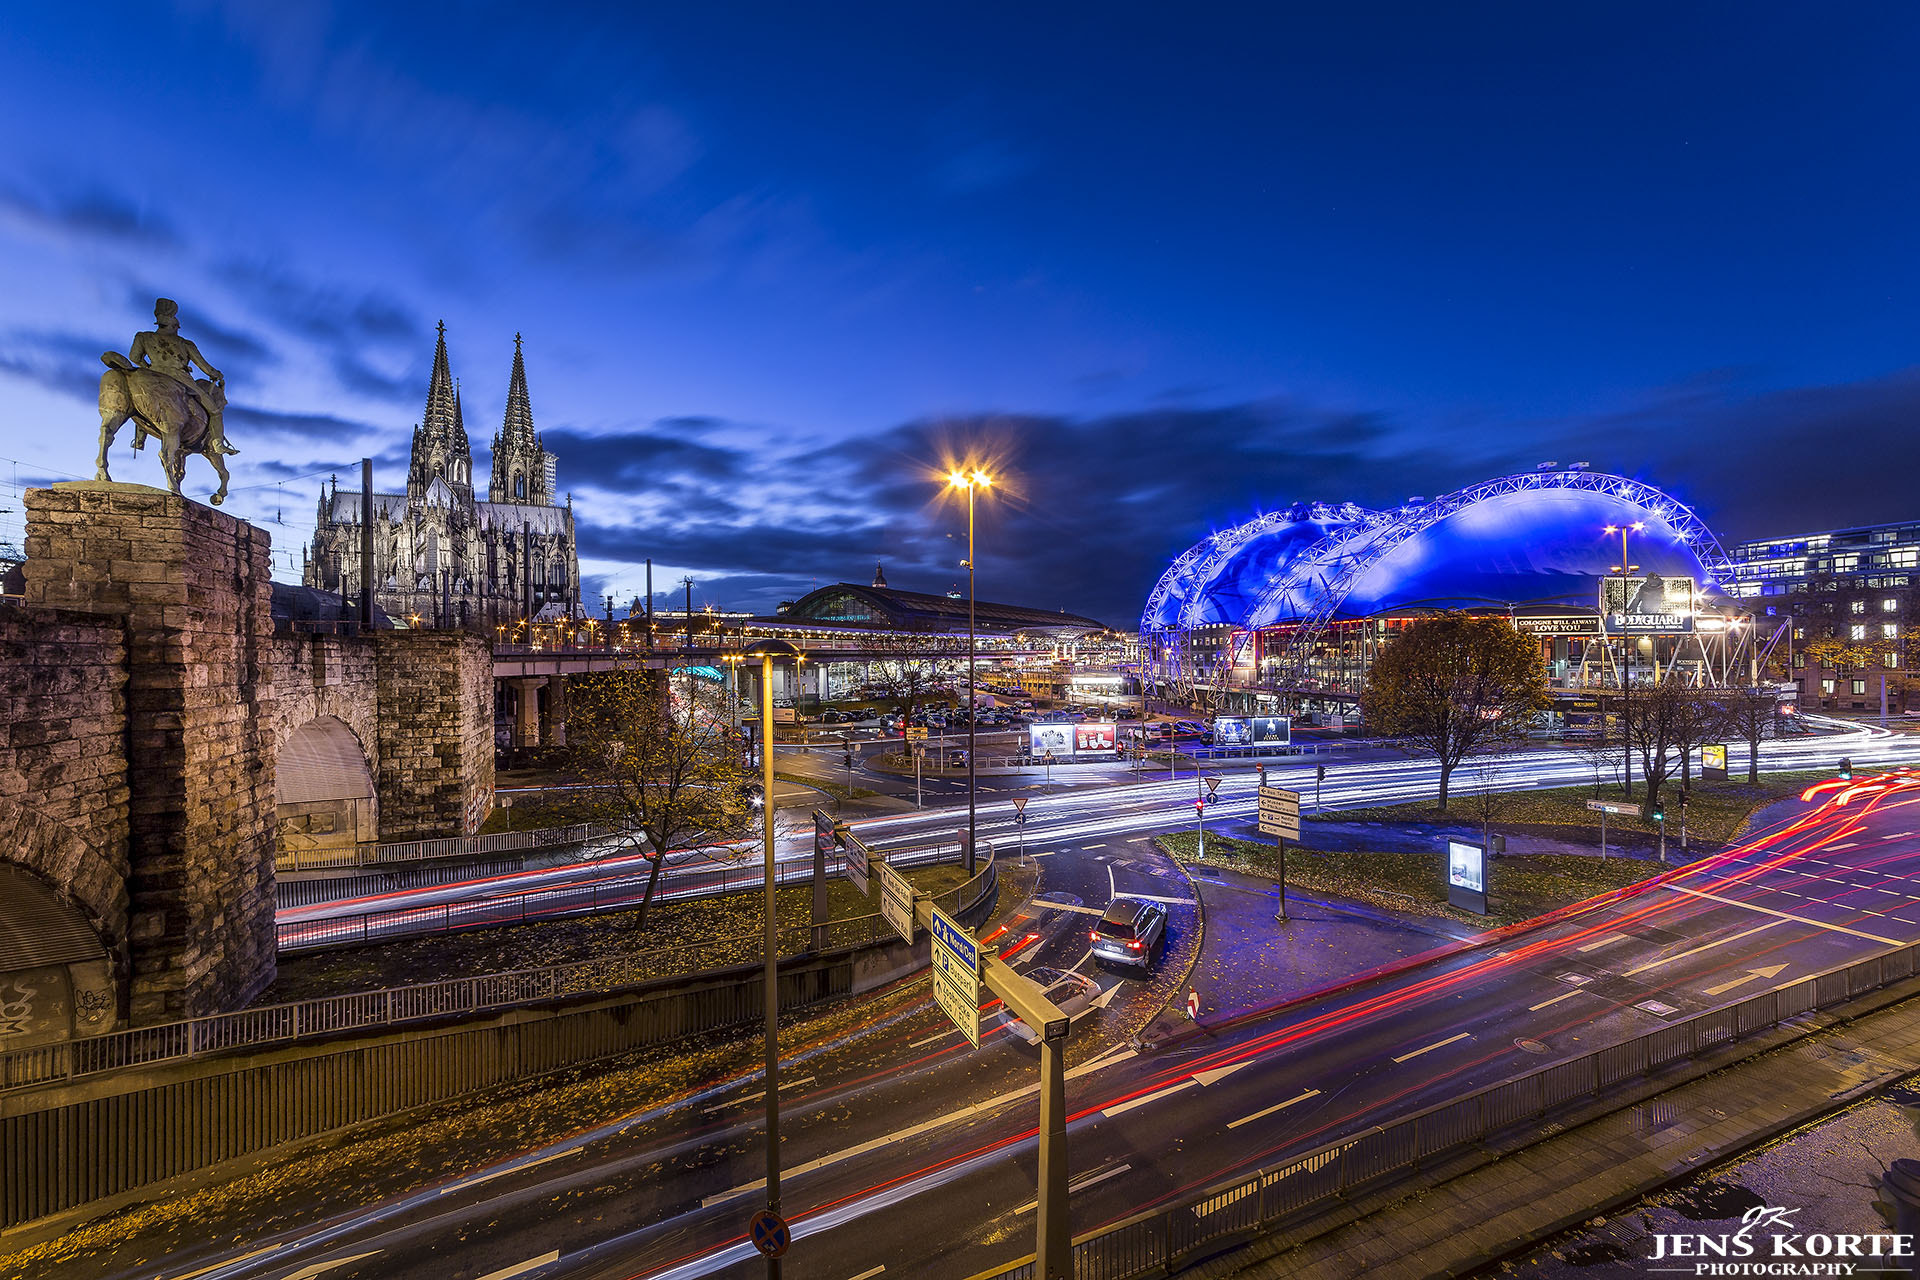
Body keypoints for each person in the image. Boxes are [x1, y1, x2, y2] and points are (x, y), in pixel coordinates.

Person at [128, 298, 238, 455]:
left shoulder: (143, 337)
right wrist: (217, 374)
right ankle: (218, 444)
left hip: (153, 373)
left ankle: (139, 440)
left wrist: (149, 369)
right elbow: (205, 367)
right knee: (215, 412)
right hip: (180, 378)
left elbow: (134, 357)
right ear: (174, 325)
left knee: (144, 396)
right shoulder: (185, 343)